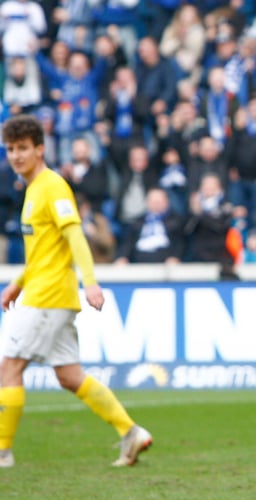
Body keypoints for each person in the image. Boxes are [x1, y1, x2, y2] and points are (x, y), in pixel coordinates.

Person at [0, 114, 152, 469]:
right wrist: (16, 285)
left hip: (48, 296)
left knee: (8, 367)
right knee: (69, 376)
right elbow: (42, 251)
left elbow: (74, 235)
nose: (17, 156)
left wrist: (91, 281)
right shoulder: (33, 189)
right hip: (46, 293)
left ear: (40, 149)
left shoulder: (52, 186)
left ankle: (2, 452)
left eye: (23, 148)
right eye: (10, 149)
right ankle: (131, 432)